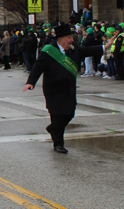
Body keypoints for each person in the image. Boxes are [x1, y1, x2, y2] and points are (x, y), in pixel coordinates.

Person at [23, 24, 112, 153]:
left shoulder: (74, 48)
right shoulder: (48, 51)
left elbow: (88, 50)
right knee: (57, 116)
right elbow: (38, 67)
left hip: (68, 89)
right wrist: (30, 82)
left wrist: (106, 46)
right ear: (60, 39)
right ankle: (58, 143)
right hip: (53, 90)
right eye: (69, 37)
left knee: (70, 113)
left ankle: (54, 129)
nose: (72, 40)